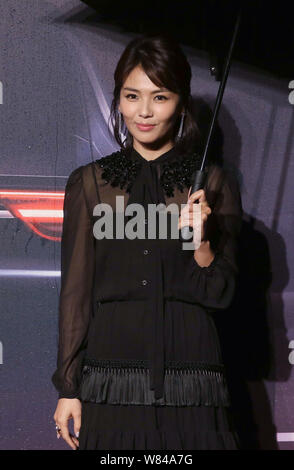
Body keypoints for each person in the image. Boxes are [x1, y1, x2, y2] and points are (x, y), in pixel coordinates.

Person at [52, 32, 243, 450]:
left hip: (191, 369)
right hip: (111, 373)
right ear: (118, 98)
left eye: (159, 97)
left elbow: (221, 295)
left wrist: (202, 241)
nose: (143, 112)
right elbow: (76, 293)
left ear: (180, 101)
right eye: (131, 95)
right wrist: (68, 386)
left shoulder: (210, 183)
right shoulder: (89, 184)